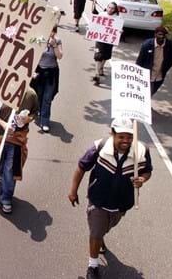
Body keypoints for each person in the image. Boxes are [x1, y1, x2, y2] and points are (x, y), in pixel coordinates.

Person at [68, 117, 152, 279]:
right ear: (112, 133)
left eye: (129, 137)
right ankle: (93, 266)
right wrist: (73, 191)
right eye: (121, 136)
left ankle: (99, 237)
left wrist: (142, 179)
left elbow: (147, 171)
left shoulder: (142, 151)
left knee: (105, 228)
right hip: (98, 200)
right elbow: (81, 167)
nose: (125, 141)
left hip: (121, 204)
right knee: (96, 232)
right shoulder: (99, 147)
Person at [0, 88, 39, 214]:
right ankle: (0, 172)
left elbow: (35, 113)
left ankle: (6, 198)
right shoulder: (0, 88)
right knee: (0, 161)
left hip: (16, 138)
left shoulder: (31, 94)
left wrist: (28, 119)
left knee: (10, 169)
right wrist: (3, 124)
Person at [32, 26, 63, 132]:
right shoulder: (38, 39)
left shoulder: (57, 41)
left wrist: (54, 45)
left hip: (51, 73)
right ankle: (39, 112)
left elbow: (60, 56)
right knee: (38, 95)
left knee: (47, 98)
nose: (52, 33)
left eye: (54, 31)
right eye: (50, 30)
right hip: (39, 72)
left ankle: (45, 121)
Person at [135, 26, 172, 95]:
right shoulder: (147, 45)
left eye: (164, 35)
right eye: (160, 34)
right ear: (155, 35)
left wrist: (165, 68)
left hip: (159, 77)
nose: (162, 37)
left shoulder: (170, 45)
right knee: (143, 94)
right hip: (146, 75)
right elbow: (139, 61)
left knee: (151, 93)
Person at [92, 2, 119, 85]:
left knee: (105, 56)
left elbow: (118, 29)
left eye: (112, 8)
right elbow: (95, 25)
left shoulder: (117, 18)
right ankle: (97, 74)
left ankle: (100, 69)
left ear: (115, 10)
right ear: (106, 7)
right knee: (98, 56)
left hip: (109, 41)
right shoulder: (102, 15)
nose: (110, 9)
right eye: (109, 7)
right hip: (100, 39)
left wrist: (119, 31)